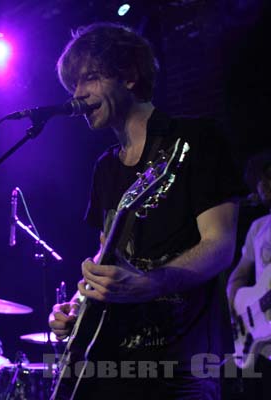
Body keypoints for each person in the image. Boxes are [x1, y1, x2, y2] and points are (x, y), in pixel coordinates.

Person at [48, 22, 247, 399]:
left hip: (182, 363)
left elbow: (220, 245)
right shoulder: (105, 168)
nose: (78, 96)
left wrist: (154, 283)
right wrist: (77, 306)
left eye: (89, 78)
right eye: (73, 85)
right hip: (114, 361)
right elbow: (109, 254)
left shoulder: (197, 139)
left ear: (129, 75)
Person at [226, 151, 271, 398]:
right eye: (260, 179)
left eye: (270, 177)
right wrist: (239, 309)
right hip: (261, 336)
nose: (264, 184)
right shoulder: (259, 227)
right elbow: (239, 275)